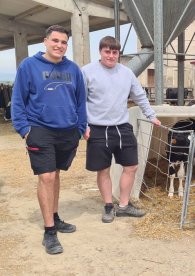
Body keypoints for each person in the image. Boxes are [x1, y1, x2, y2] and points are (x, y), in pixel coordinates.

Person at [11, 25, 87, 255]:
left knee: (56, 174)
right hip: (40, 129)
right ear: (45, 41)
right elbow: (17, 101)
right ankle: (49, 231)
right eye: (55, 40)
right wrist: (25, 130)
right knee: (46, 176)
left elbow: (81, 101)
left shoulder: (73, 69)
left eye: (64, 42)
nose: (59, 45)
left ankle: (55, 216)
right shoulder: (29, 66)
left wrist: (80, 127)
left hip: (68, 131)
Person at [81, 36, 161, 224]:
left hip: (122, 127)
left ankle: (124, 205)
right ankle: (109, 206)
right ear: (100, 52)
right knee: (103, 169)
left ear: (119, 54)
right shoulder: (87, 72)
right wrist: (82, 125)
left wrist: (151, 115)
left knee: (131, 166)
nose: (110, 56)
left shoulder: (126, 73)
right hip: (97, 128)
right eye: (107, 51)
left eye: (114, 52)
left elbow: (139, 96)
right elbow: (80, 101)